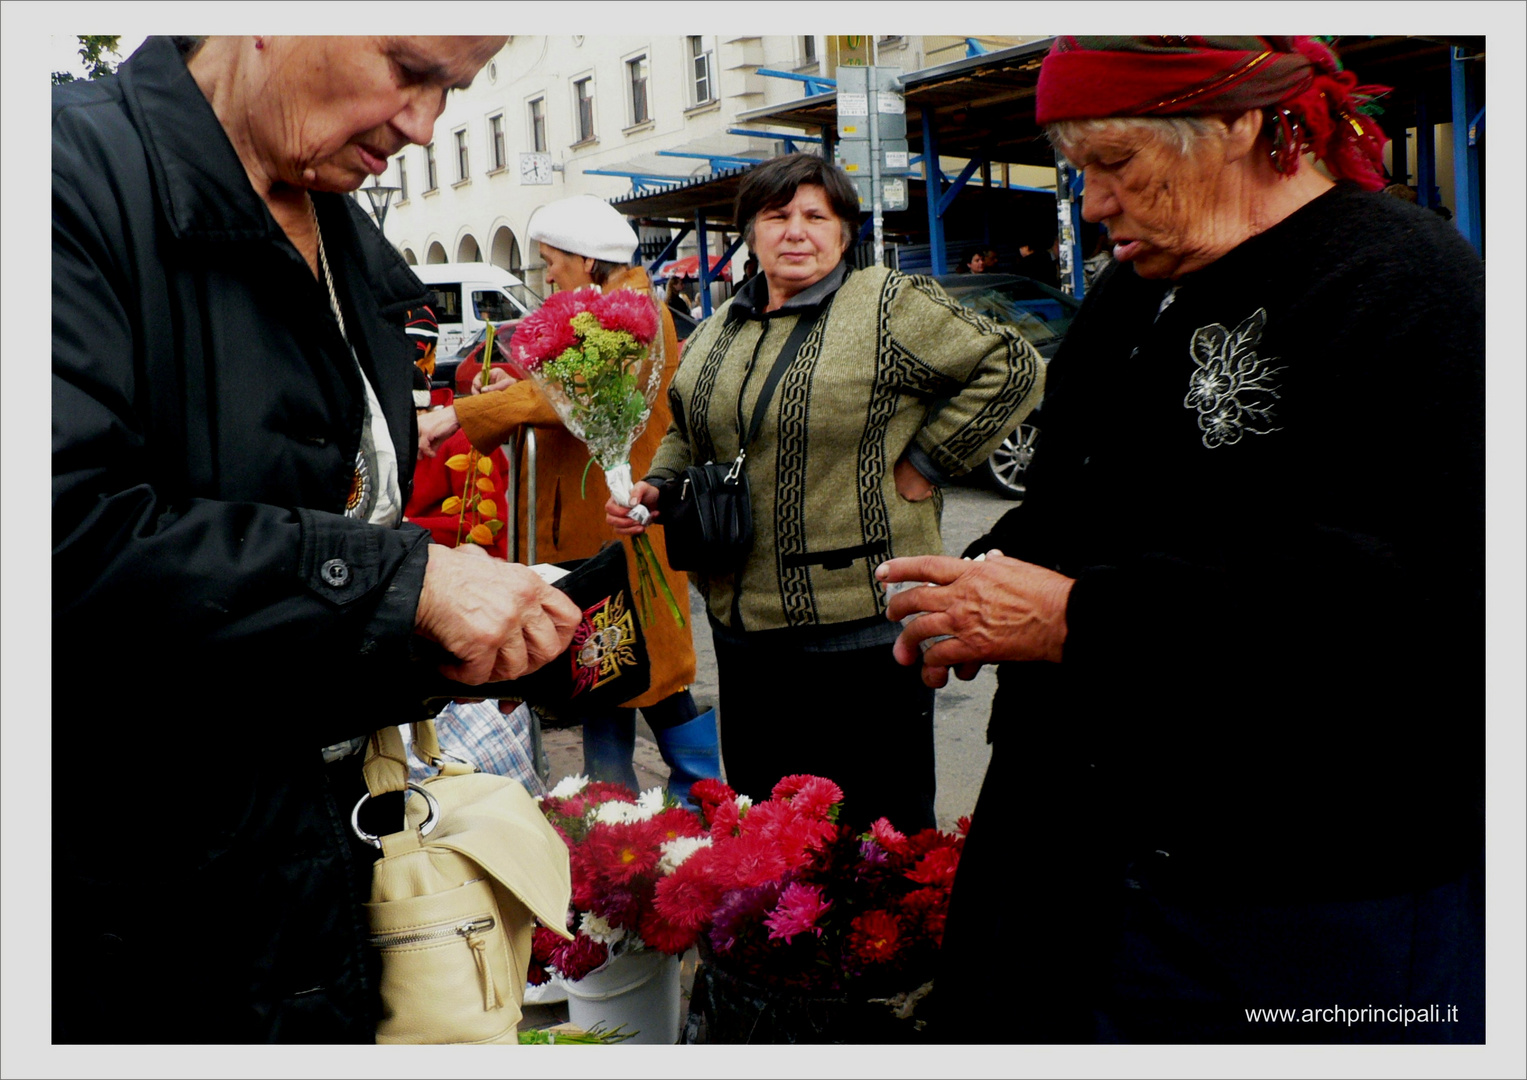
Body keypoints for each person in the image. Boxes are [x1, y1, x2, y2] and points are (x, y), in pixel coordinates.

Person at [879, 36, 1484, 1043]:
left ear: (1243, 127)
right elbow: (1078, 499)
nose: (1095, 204)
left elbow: (1410, 593)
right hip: (1079, 854)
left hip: (1306, 889)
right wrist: (980, 583)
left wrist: (1080, 619)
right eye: (1081, 173)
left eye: (1115, 165)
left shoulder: (1411, 282)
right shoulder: (1132, 288)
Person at [52, 35, 582, 1044]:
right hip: (132, 909)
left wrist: (435, 642)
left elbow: (311, 561)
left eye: (452, 91)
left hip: (310, 873)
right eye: (407, 66)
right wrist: (406, 585)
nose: (423, 124)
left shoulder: (340, 231)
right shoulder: (62, 181)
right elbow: (60, 531)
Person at [606, 153, 1044, 831]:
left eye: (816, 216)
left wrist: (930, 460)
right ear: (748, 232)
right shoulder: (719, 327)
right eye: (777, 216)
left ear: (844, 232)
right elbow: (689, 431)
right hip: (745, 632)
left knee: (878, 832)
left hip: (862, 631)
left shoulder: (888, 305)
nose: (796, 232)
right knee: (771, 828)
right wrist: (657, 488)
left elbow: (1012, 366)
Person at [417, 194, 722, 808]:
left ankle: (703, 801)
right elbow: (564, 395)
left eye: (552, 260)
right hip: (593, 532)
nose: (547, 273)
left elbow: (576, 397)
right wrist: (517, 385)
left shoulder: (633, 312)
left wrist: (464, 412)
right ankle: (611, 813)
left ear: (587, 260)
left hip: (626, 523)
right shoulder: (605, 309)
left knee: (649, 670)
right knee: (604, 669)